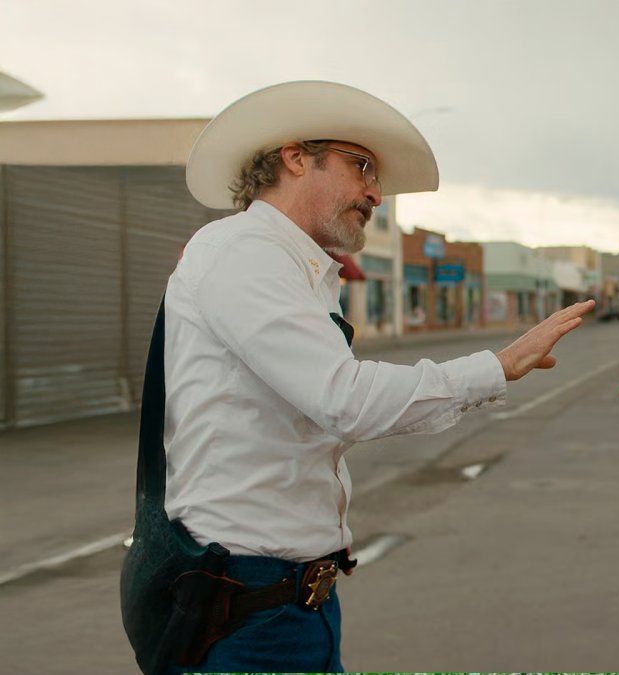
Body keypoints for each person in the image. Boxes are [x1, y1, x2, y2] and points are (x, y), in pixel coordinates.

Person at [132, 80, 593, 673]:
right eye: (362, 168)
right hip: (244, 610)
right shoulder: (245, 251)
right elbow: (345, 400)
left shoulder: (297, 268)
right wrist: (497, 367)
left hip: (287, 601)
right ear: (296, 157)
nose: (375, 192)